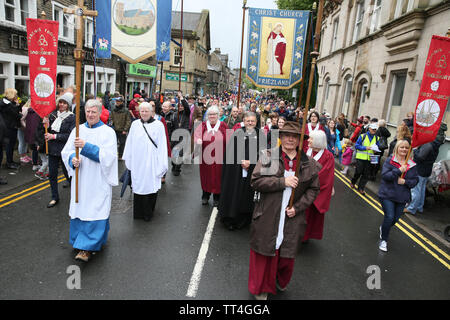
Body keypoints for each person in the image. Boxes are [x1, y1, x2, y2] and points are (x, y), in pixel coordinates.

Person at [248, 121, 321, 300]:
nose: (290, 139)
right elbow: (255, 181)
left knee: (287, 256)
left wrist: (298, 207)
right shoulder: (268, 156)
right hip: (268, 213)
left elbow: (314, 189)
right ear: (280, 138)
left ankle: (280, 281)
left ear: (299, 140)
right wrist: (282, 182)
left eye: (294, 136)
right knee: (264, 253)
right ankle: (262, 287)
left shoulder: (308, 163)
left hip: (292, 217)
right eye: (286, 135)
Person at [61, 99, 118, 262]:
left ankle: (88, 247)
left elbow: (109, 157)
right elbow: (67, 151)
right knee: (80, 208)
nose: (90, 115)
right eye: (88, 111)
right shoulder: (77, 130)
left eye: (94, 112)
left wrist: (85, 147)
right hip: (81, 177)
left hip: (98, 179)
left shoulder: (108, 132)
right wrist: (73, 159)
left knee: (96, 209)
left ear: (100, 113)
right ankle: (80, 241)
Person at [123, 102, 168, 221]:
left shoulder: (159, 125)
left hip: (152, 161)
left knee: (150, 186)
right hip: (138, 161)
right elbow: (130, 142)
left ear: (151, 112)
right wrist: (129, 158)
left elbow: (162, 145)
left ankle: (148, 212)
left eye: (146, 111)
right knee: (138, 186)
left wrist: (161, 163)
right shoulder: (135, 125)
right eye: (141, 111)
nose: (144, 113)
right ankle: (138, 213)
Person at [219, 112, 260, 230]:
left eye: (252, 121)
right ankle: (230, 218)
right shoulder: (237, 133)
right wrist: (240, 161)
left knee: (246, 196)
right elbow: (230, 153)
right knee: (234, 193)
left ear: (256, 122)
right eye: (248, 121)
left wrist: (251, 162)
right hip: (236, 172)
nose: (250, 123)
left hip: (251, 172)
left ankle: (244, 219)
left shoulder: (260, 135)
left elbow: (263, 154)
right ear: (244, 121)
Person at [378, 139, 418, 252]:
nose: (404, 149)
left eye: (406, 147)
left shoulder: (412, 164)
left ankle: (384, 228)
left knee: (394, 220)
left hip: (402, 196)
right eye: (402, 147)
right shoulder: (390, 161)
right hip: (387, 194)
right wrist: (398, 171)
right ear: (397, 148)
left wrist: (405, 182)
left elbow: (415, 181)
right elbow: (385, 176)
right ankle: (384, 240)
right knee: (389, 216)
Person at [404, 123, 447, 215]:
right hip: (427, 169)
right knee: (422, 189)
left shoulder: (429, 144)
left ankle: (412, 208)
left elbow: (420, 157)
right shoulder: (436, 143)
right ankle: (419, 207)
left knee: (416, 189)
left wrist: (415, 150)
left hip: (421, 169)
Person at [302, 130, 335, 243]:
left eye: (311, 138)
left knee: (310, 216)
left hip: (315, 191)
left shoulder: (328, 156)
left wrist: (306, 181)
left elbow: (326, 175)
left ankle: (305, 237)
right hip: (301, 189)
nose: (308, 140)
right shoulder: (305, 150)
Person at [44, 92, 75, 208]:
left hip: (65, 150)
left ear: (68, 105)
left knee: (69, 175)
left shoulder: (72, 117)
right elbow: (48, 131)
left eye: (64, 103)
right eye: (60, 102)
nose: (61, 105)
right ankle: (54, 197)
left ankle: (77, 196)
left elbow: (70, 136)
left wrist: (54, 136)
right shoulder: (52, 115)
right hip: (52, 150)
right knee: (52, 174)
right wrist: (45, 126)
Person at [194, 106, 228, 207]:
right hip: (206, 157)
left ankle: (217, 197)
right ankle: (205, 195)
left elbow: (230, 140)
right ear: (207, 116)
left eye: (214, 114)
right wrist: (198, 141)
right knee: (206, 177)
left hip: (220, 157)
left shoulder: (223, 125)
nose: (212, 116)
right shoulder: (203, 125)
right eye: (210, 114)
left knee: (218, 177)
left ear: (218, 115)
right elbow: (196, 136)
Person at [350, 123, 380, 195]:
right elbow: (357, 146)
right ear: (369, 129)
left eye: (375, 129)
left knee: (366, 174)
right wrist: (365, 148)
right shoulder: (362, 136)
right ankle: (353, 182)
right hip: (361, 157)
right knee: (358, 172)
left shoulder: (377, 138)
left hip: (370, 159)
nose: (374, 130)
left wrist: (376, 150)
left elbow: (377, 147)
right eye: (373, 129)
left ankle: (361, 188)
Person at [0, 88, 21, 169]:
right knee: (9, 145)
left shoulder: (8, 103)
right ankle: (9, 162)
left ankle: (10, 161)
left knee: (11, 145)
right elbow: (16, 115)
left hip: (11, 126)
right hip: (8, 127)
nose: (16, 96)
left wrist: (17, 106)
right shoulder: (6, 104)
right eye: (15, 94)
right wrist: (17, 106)